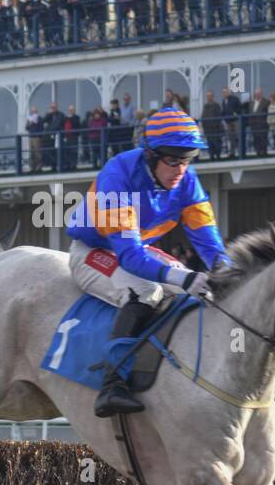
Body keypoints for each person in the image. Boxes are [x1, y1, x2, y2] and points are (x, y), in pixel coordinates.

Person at [65, 109, 228, 417]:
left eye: (188, 159)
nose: (180, 169)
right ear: (151, 155)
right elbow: (129, 256)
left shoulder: (186, 181)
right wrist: (185, 278)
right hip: (93, 250)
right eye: (173, 160)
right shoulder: (118, 174)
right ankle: (112, 384)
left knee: (194, 290)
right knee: (146, 291)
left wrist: (229, 273)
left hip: (138, 249)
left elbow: (210, 245)